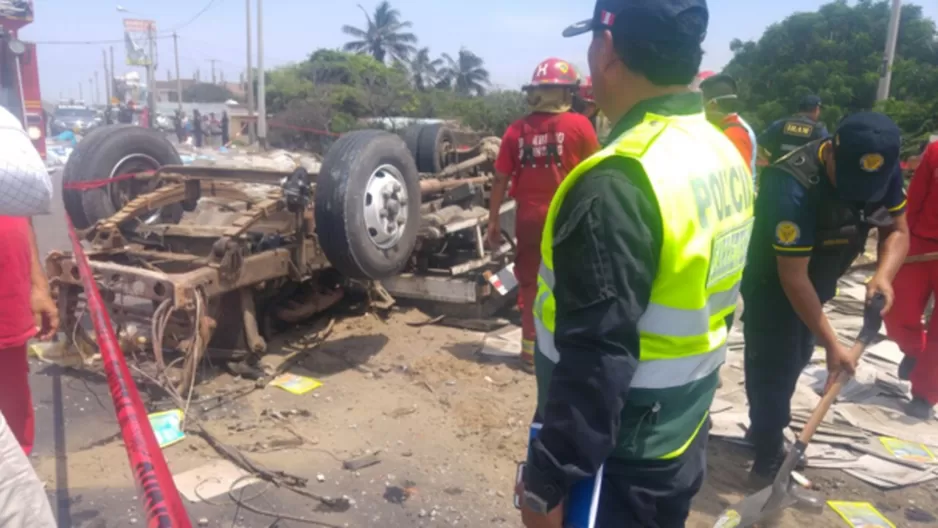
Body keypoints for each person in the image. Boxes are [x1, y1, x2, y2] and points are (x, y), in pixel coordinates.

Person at [519, 0, 753, 525]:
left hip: (617, 457)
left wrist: (547, 479)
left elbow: (598, 356)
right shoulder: (721, 153)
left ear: (606, 51)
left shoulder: (618, 182)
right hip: (682, 427)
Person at [741, 112, 909, 485]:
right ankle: (768, 453)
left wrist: (883, 275)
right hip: (774, 282)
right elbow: (791, 277)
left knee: (797, 354)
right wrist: (832, 343)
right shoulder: (789, 184)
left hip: (821, 276)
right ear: (831, 151)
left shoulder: (882, 168)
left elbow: (897, 229)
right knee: (775, 363)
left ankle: (763, 426)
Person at [487, 57, 600, 369]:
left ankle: (529, 353)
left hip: (529, 219)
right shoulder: (580, 126)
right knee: (569, 282)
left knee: (530, 283)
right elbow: (597, 175)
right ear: (565, 93)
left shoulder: (515, 130)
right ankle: (564, 350)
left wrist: (493, 220)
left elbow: (500, 178)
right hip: (569, 218)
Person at [884, 140, 938, 419]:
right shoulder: (935, 152)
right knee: (895, 307)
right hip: (921, 242)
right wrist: (903, 240)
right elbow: (915, 199)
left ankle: (925, 394)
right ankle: (914, 349)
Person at [698, 73, 758, 180]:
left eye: (702, 104)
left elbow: (738, 180)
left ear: (713, 105)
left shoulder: (733, 136)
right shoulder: (725, 129)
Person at [759, 94, 829, 165]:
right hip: (805, 175)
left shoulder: (780, 124)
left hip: (777, 172)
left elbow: (757, 144)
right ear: (816, 109)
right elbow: (828, 155)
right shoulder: (818, 130)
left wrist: (770, 160)